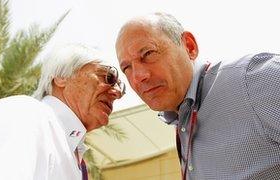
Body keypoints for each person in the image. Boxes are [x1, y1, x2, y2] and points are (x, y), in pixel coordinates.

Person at [115, 12, 280, 180]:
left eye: (148, 53)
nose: (138, 76)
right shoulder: (180, 119)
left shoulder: (253, 79)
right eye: (126, 68)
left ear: (189, 46)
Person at [0, 44, 125, 180]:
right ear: (61, 77)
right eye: (108, 77)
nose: (117, 93)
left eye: (121, 86)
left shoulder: (68, 149)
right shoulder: (26, 115)